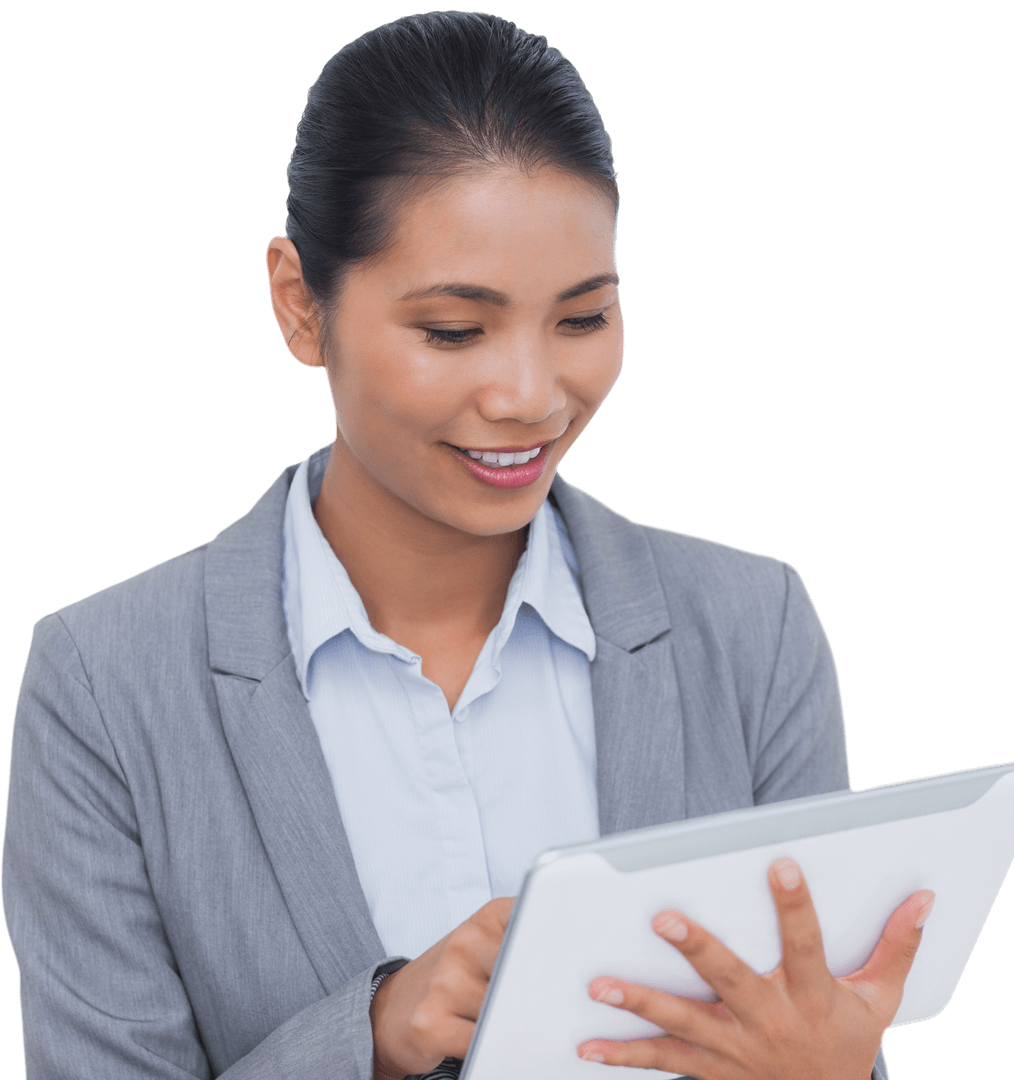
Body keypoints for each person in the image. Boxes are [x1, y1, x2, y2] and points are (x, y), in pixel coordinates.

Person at [2, 11, 931, 1080]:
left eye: (582, 319)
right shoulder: (105, 684)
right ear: (301, 305)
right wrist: (373, 1034)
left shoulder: (753, 630)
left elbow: (818, 1032)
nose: (531, 396)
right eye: (454, 330)